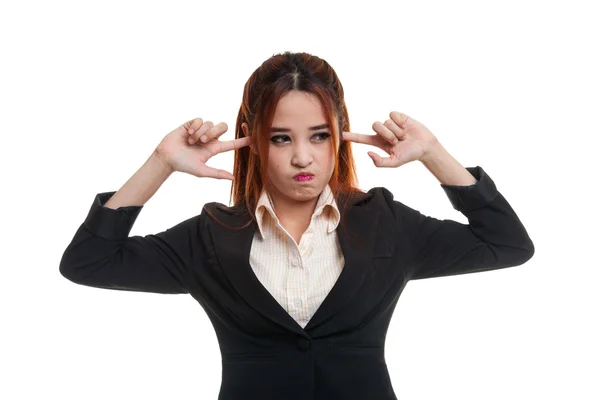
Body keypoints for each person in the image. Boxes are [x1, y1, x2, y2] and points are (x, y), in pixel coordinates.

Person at [59, 51, 535, 400]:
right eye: (281, 138)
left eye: (320, 136)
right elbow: (88, 262)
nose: (302, 157)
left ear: (339, 137)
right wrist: (161, 162)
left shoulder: (385, 224)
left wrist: (433, 153)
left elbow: (508, 244)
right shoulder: (209, 237)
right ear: (254, 142)